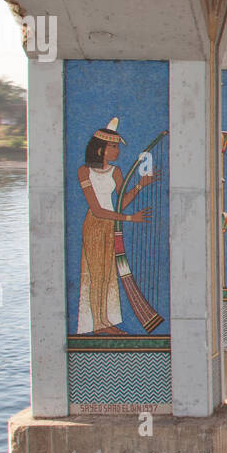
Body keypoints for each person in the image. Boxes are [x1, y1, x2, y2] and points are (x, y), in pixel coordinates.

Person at [75, 118, 158, 334]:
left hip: (110, 223)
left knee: (108, 273)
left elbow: (121, 201)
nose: (117, 151)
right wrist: (130, 219)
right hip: (95, 225)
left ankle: (105, 322)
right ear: (100, 149)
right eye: (113, 147)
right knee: (97, 275)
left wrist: (140, 185)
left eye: (117, 147)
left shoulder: (116, 172)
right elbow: (97, 210)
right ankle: (97, 324)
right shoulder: (84, 172)